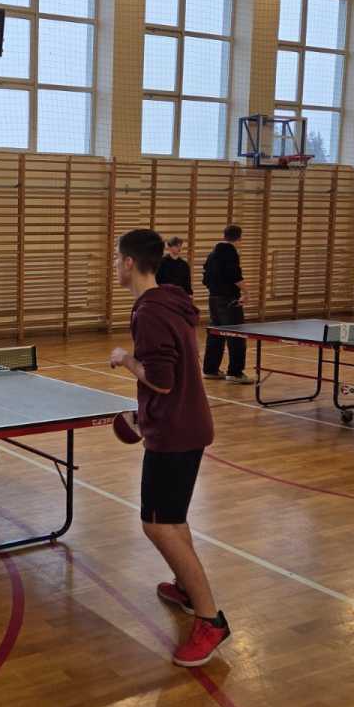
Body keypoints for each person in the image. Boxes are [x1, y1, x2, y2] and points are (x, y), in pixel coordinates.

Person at [110, 228, 230, 667]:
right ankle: (185, 587)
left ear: (129, 263)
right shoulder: (170, 301)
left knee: (159, 526)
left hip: (175, 434)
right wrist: (145, 415)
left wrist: (125, 360)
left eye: (116, 258)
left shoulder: (149, 312)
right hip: (184, 424)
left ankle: (210, 619)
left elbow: (161, 379)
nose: (114, 265)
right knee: (172, 520)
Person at [201, 224, 254, 384]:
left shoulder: (212, 254)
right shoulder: (230, 252)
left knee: (215, 334)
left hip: (213, 299)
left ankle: (210, 369)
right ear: (239, 238)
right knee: (236, 335)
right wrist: (246, 292)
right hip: (229, 300)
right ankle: (235, 373)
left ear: (224, 235)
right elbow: (235, 275)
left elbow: (205, 279)